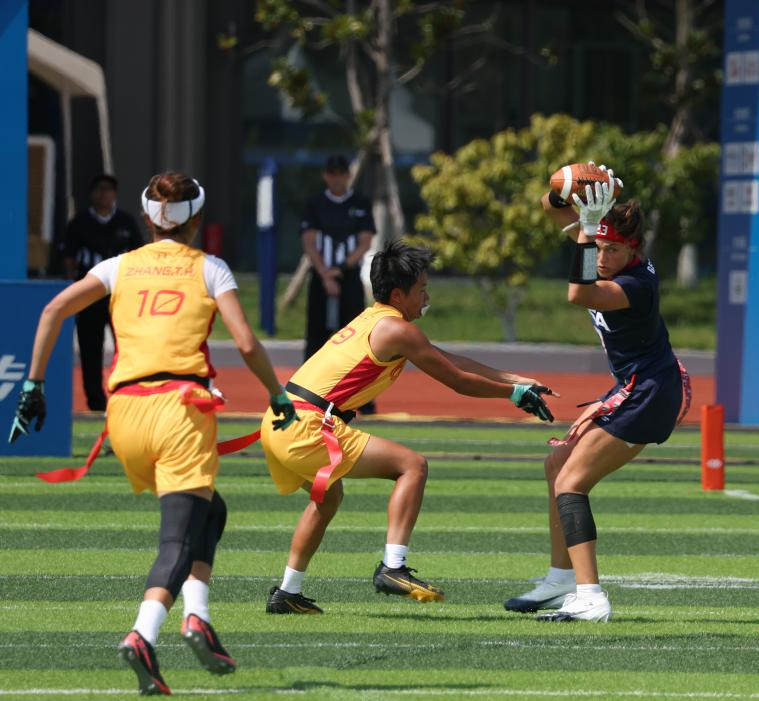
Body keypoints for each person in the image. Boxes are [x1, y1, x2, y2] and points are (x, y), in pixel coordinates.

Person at [9, 172, 298, 695]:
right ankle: (144, 633)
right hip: (179, 412)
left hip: (123, 415)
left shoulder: (118, 265)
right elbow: (247, 344)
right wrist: (277, 395)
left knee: (211, 511)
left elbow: (53, 310)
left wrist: (33, 385)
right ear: (197, 220)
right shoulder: (210, 267)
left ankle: (198, 616)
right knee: (178, 537)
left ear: (146, 217)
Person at [261, 240, 554, 613]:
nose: (427, 297)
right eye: (422, 289)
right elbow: (457, 381)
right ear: (398, 295)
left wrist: (516, 380)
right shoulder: (398, 330)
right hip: (309, 424)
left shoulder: (376, 318)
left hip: (280, 420)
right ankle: (393, 568)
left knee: (328, 498)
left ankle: (287, 593)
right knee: (412, 466)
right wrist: (513, 394)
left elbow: (449, 360)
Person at [502, 172, 686, 622]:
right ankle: (561, 579)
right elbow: (549, 205)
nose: (603, 257)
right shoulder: (603, 248)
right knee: (557, 465)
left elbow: (578, 293)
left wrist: (586, 229)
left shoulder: (636, 284)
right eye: (599, 248)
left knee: (571, 482)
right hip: (636, 386)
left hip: (650, 392)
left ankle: (591, 596)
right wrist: (572, 187)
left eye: (613, 250)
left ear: (634, 250)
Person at [61, 174, 145, 411]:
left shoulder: (125, 222)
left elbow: (140, 254)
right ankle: (96, 403)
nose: (104, 194)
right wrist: (73, 285)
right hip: (90, 295)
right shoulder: (80, 222)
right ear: (92, 194)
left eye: (108, 190)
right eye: (99, 189)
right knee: (90, 350)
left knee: (129, 347)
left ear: (115, 194)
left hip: (121, 295)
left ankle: (128, 397)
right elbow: (69, 257)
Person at [301, 155, 375, 356]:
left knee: (354, 332)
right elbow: (309, 242)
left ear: (348, 175)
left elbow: (365, 242)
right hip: (320, 276)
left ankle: (352, 374)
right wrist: (326, 274)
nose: (336, 178)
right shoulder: (315, 204)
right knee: (316, 335)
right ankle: (311, 374)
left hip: (349, 275)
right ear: (325, 176)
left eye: (341, 174)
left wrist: (340, 268)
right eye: (332, 174)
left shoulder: (361, 203)